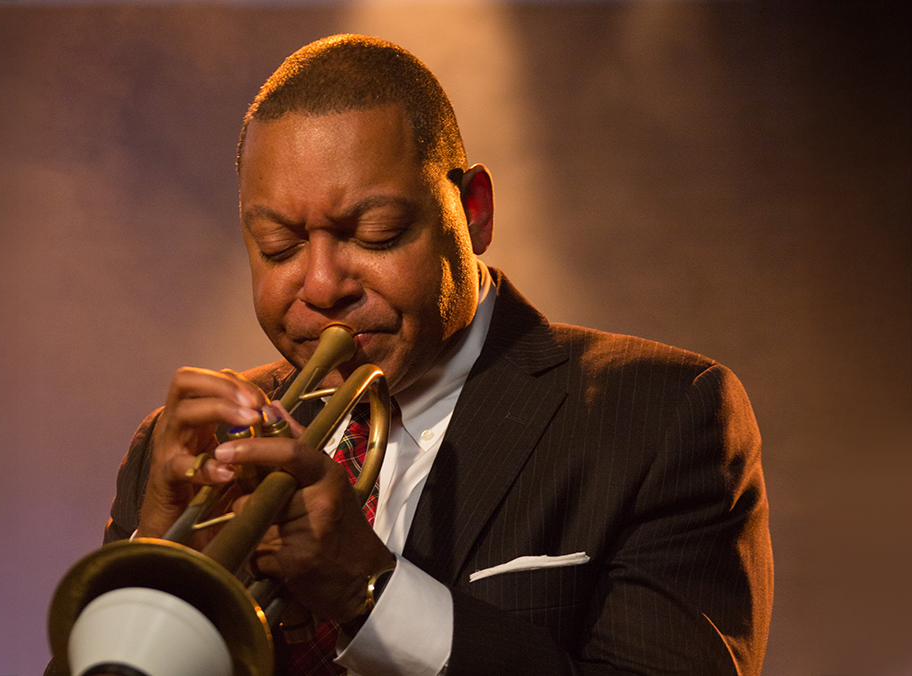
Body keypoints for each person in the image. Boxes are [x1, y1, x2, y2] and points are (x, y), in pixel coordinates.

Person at [104, 34, 773, 676]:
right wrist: (154, 571)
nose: (320, 285)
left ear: (473, 211)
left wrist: (371, 592)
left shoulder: (662, 415)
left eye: (376, 232)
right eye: (277, 246)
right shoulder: (185, 449)